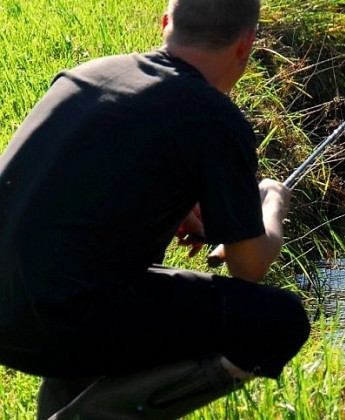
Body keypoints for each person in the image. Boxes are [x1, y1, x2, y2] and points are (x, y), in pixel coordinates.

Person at [0, 0, 311, 418]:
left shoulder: (90, 74)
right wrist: (272, 198)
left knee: (98, 290)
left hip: (12, 313)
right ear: (246, 45)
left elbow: (66, 196)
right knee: (277, 321)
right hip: (60, 322)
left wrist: (174, 208)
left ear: (165, 22)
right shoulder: (214, 117)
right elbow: (248, 266)